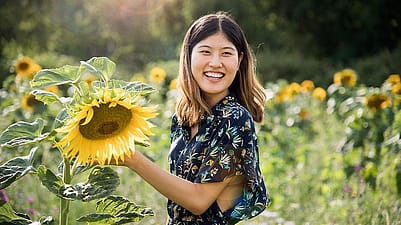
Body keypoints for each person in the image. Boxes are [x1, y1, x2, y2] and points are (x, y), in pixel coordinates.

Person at [120, 11, 270, 224]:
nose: (215, 63)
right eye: (205, 51)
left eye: (226, 53)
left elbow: (198, 201)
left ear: (239, 61)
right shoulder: (183, 117)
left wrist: (133, 160)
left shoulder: (234, 119)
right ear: (188, 56)